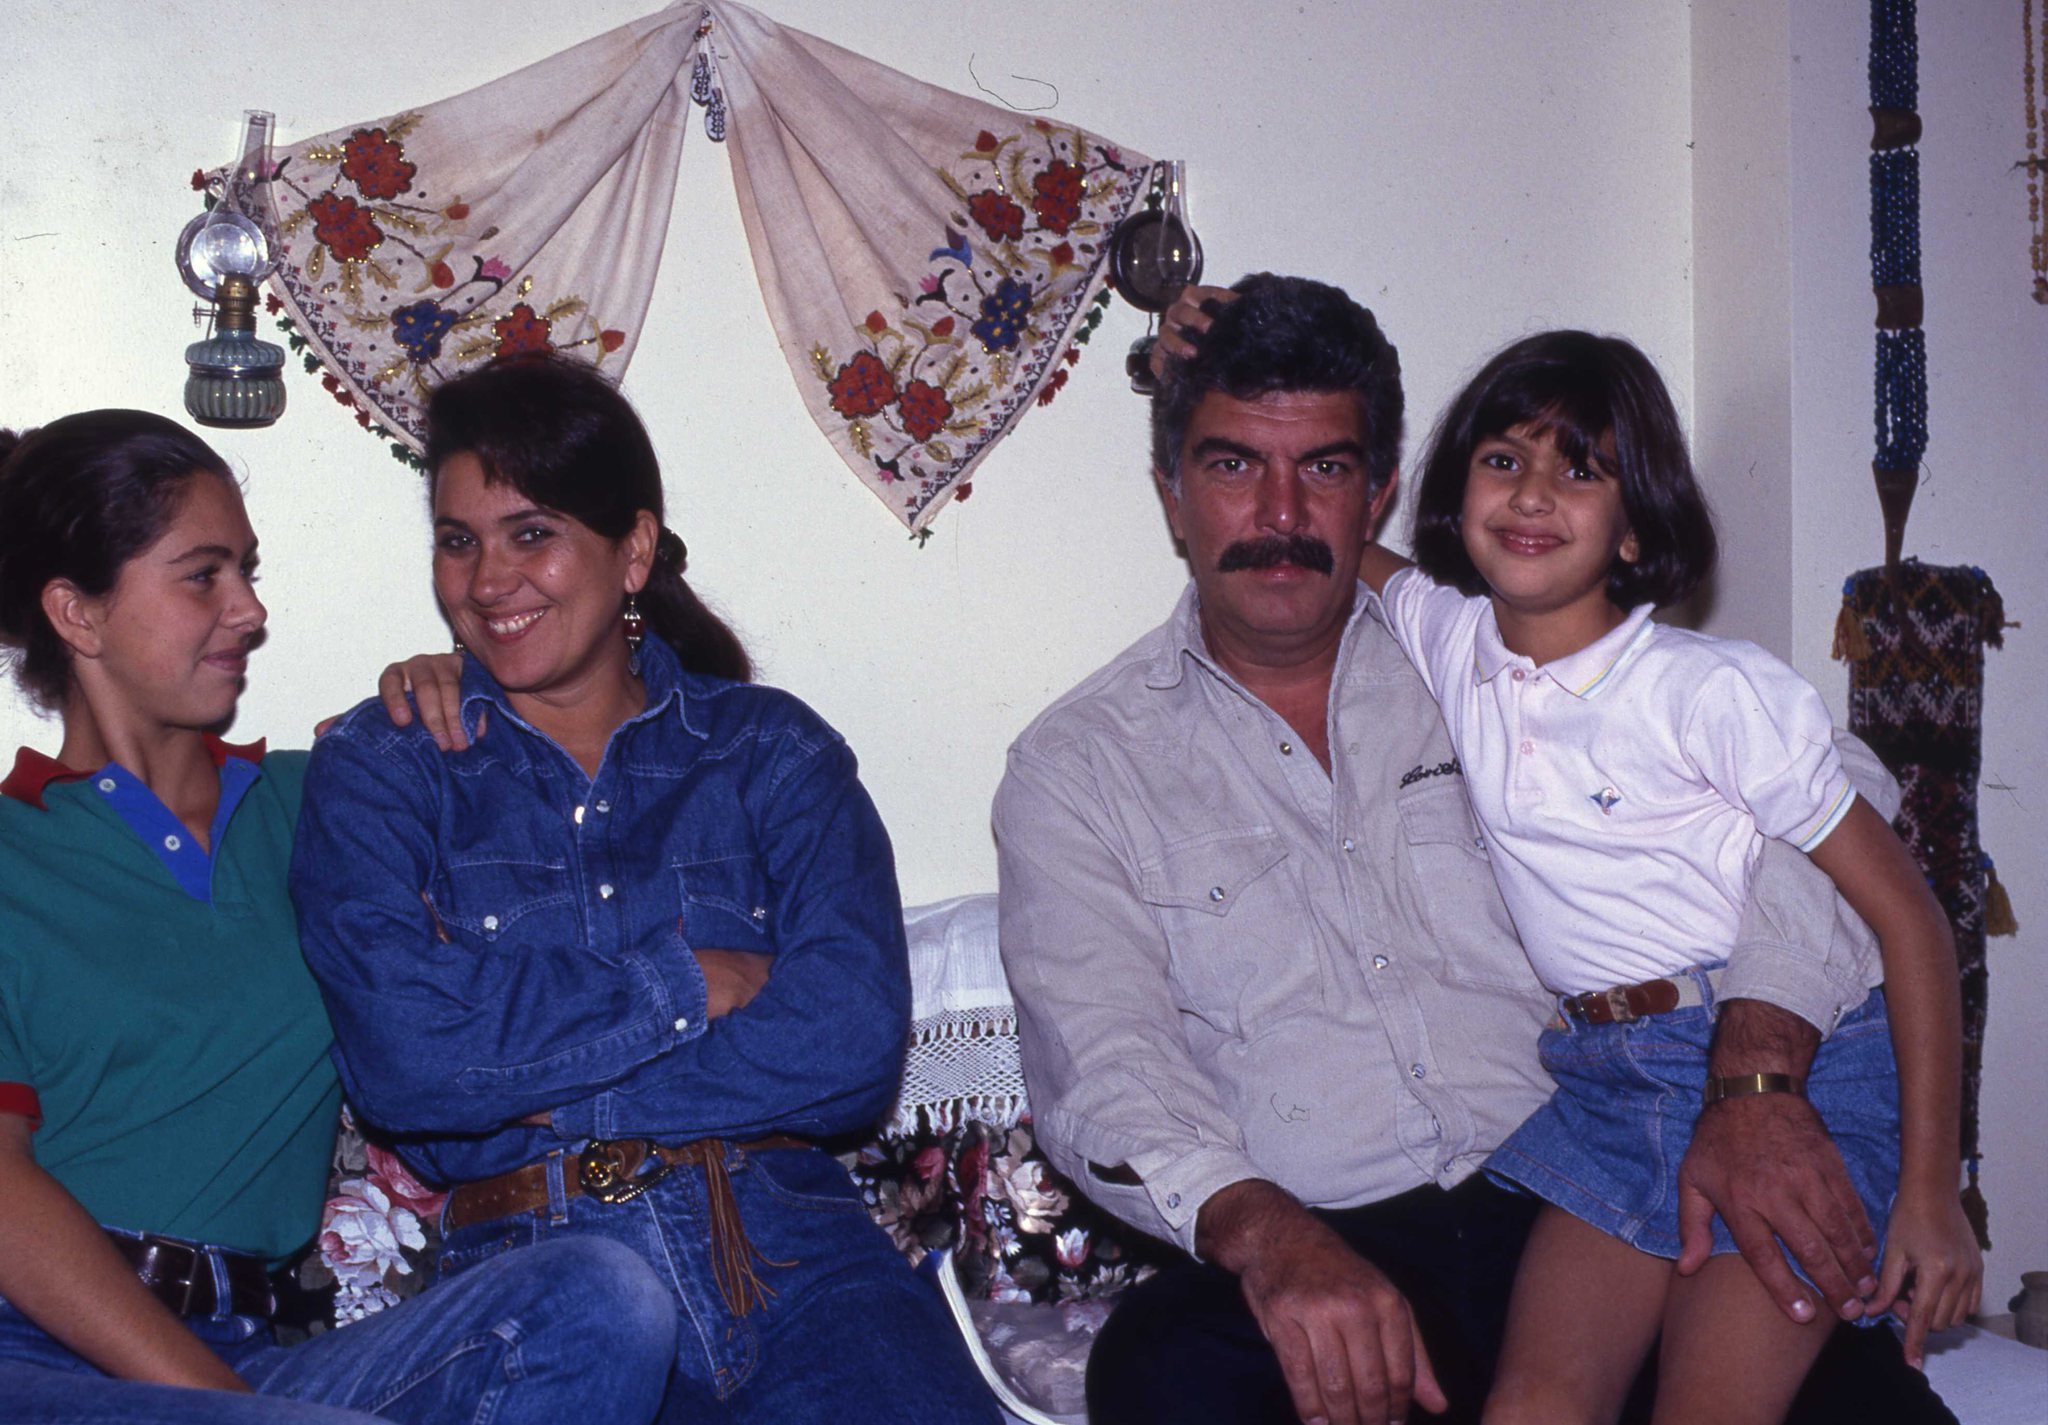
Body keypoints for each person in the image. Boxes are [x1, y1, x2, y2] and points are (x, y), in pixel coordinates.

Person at [992, 274, 1960, 1425]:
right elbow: (1103, 1069)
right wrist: (1265, 1233)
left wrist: (1755, 1061)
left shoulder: (1501, 652)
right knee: (1161, 1372)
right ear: (1170, 494)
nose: (1280, 514)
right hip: (1325, 1239)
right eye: (1232, 465)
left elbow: (1839, 788)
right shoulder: (1078, 767)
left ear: (1378, 495)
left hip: (1574, 1175)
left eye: (1325, 469)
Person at [288, 356, 1001, 1425]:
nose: (488, 581)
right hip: (540, 1285)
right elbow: (405, 1061)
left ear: (631, 551)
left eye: (532, 533)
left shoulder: (771, 754)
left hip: (796, 1257)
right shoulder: (385, 768)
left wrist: (541, 1092)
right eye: (458, 540)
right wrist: (686, 984)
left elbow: (848, 1043)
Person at [0, 410, 678, 1425]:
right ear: (77, 614)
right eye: (203, 576)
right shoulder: (12, 857)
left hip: (256, 1357)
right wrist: (225, 1405)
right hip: (34, 1357)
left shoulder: (323, 799)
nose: (250, 610)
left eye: (247, 570)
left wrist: (468, 689)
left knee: (603, 1295)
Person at [1356, 329, 1980, 1422]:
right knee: (1529, 1407)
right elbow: (1339, 539)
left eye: (1579, 469)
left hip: (1800, 1077)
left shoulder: (1707, 690)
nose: (1532, 492)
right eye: (1503, 459)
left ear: (1635, 527)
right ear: (1454, 496)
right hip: (1608, 1085)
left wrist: (1933, 1190)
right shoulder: (1450, 643)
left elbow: (1911, 921)